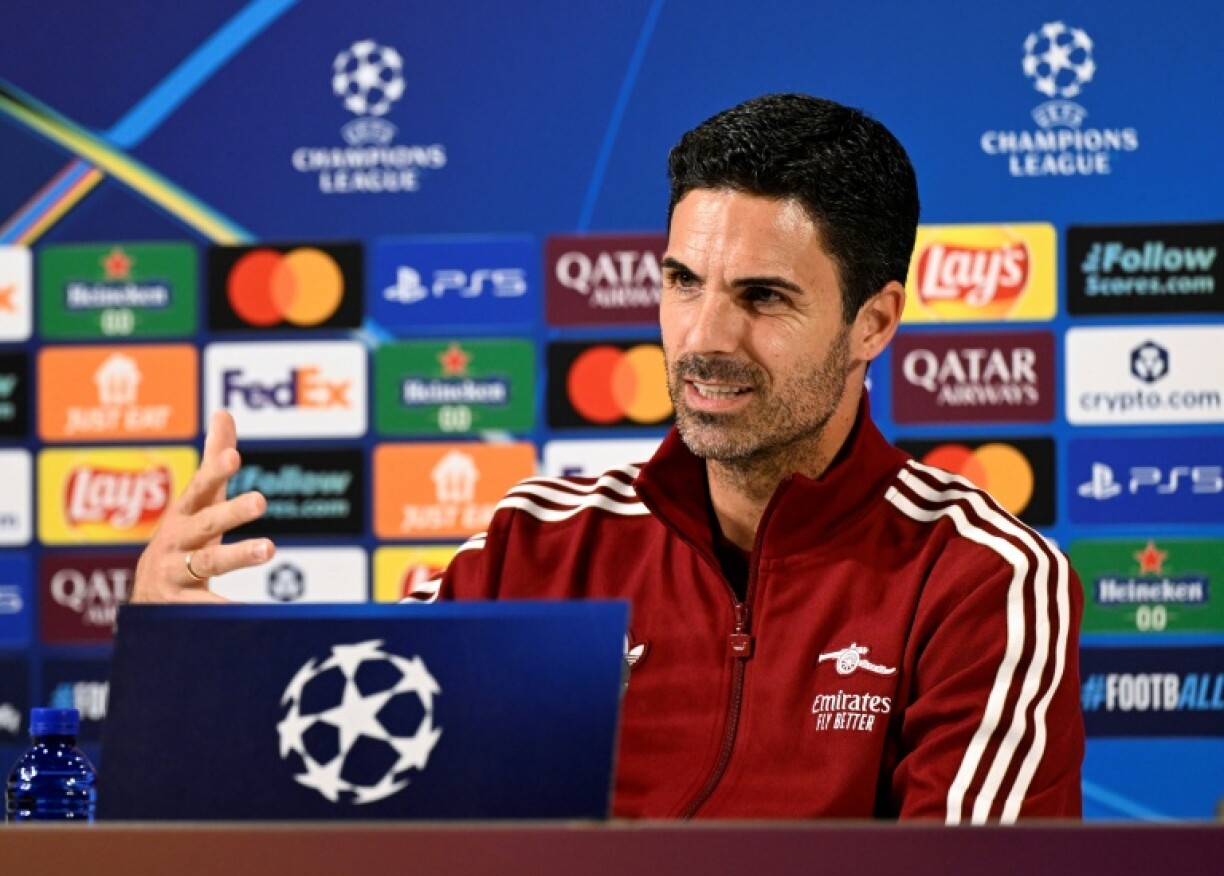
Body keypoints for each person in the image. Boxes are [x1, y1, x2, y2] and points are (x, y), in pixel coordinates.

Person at [132, 93, 1084, 823]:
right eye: (682, 282)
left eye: (762, 297)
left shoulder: (982, 580)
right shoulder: (535, 547)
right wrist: (188, 655)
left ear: (872, 322)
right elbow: (346, 768)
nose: (703, 338)